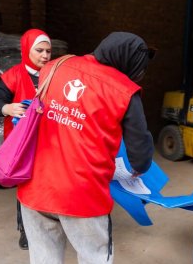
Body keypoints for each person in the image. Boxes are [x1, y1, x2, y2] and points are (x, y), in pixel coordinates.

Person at [17, 32, 155, 264]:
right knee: (95, 258)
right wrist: (139, 168)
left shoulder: (54, 66)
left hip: (35, 187)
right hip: (82, 195)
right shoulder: (125, 91)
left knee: (43, 259)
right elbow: (139, 150)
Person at [0, 28, 53, 250]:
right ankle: (26, 230)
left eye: (48, 51)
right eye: (39, 50)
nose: (45, 56)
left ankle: (51, 225)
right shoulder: (13, 76)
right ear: (27, 49)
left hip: (49, 141)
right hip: (23, 143)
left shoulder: (55, 74)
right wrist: (7, 107)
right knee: (25, 186)